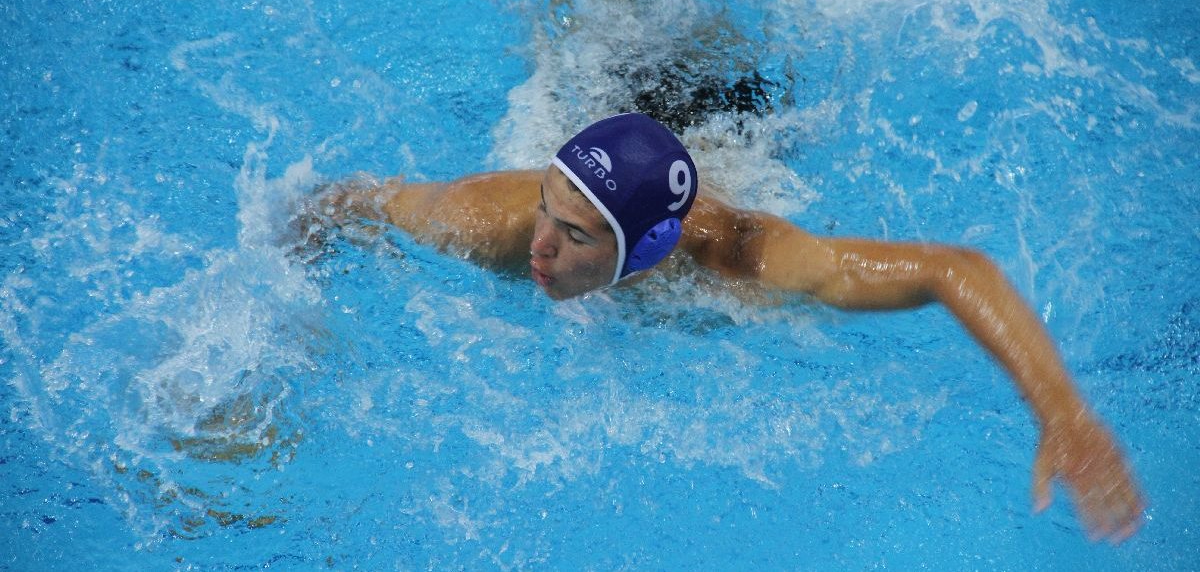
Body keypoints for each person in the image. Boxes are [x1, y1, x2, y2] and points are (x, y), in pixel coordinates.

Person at [297, 112, 1145, 543]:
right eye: (548, 213)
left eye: (578, 236)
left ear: (649, 252)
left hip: (729, 115)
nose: (543, 249)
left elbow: (954, 268)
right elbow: (332, 201)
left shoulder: (743, 260)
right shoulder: (495, 220)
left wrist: (1063, 412)